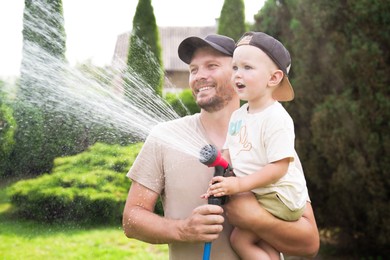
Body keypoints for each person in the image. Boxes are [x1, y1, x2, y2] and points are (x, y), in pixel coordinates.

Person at [122, 34, 320, 260]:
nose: (199, 76)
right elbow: (131, 220)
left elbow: (309, 244)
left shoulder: (271, 136)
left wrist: (255, 218)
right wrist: (183, 229)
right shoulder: (164, 137)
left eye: (212, 66)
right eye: (193, 69)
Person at [202, 31, 309, 259]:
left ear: (273, 78)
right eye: (235, 67)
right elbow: (229, 153)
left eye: (247, 68)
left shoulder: (276, 118)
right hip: (263, 193)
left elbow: (278, 168)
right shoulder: (239, 115)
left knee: (239, 239)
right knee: (266, 245)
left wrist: (239, 185)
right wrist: (221, 177)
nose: (237, 75)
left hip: (280, 197)